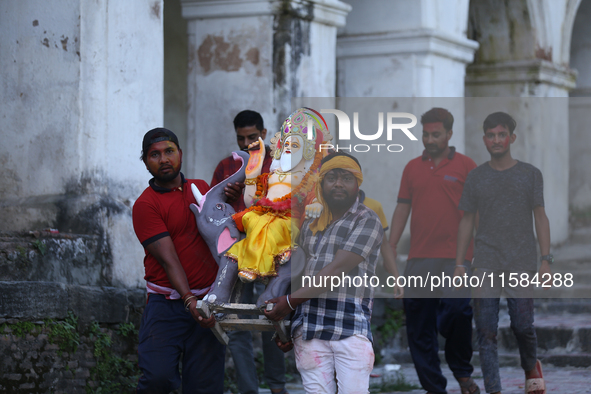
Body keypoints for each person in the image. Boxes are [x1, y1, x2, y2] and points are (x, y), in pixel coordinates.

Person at [265, 152, 384, 394]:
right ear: (321, 182)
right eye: (332, 177)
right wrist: (289, 324)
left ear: (357, 183)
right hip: (309, 329)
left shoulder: (367, 220)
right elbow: (297, 274)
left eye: (346, 178)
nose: (338, 184)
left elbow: (337, 270)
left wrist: (288, 303)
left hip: (349, 328)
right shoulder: (311, 222)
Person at [456, 112, 551, 394]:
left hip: (521, 260)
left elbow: (541, 217)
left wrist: (546, 261)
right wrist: (460, 263)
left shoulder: (530, 174)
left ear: (512, 138)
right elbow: (466, 219)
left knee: (523, 325)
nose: (496, 140)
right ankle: (494, 389)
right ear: (484, 139)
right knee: (486, 330)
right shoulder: (476, 177)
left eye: (501, 134)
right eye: (491, 135)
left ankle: (531, 365)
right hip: (485, 260)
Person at [389, 108, 480, 394]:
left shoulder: (467, 166)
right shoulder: (412, 167)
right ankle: (434, 388)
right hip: (419, 257)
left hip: (457, 258)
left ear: (449, 135)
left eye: (436, 134)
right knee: (418, 328)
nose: (429, 139)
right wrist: (390, 245)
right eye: (425, 134)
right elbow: (403, 206)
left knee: (457, 311)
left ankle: (462, 371)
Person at [132, 128, 224, 393]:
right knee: (157, 379)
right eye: (155, 155)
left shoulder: (201, 189)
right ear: (146, 161)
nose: (163, 159)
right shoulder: (145, 205)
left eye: (169, 151)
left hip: (208, 304)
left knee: (204, 386)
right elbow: (169, 259)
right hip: (167, 306)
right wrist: (188, 299)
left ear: (180, 154)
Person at [210, 110, 288, 394]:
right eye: (241, 138)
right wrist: (230, 199)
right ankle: (247, 389)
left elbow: (288, 203)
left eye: (252, 137)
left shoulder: (280, 164)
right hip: (237, 251)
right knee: (237, 321)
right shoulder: (227, 166)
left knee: (271, 315)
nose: (246, 144)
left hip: (272, 250)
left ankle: (277, 386)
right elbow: (214, 208)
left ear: (264, 135)